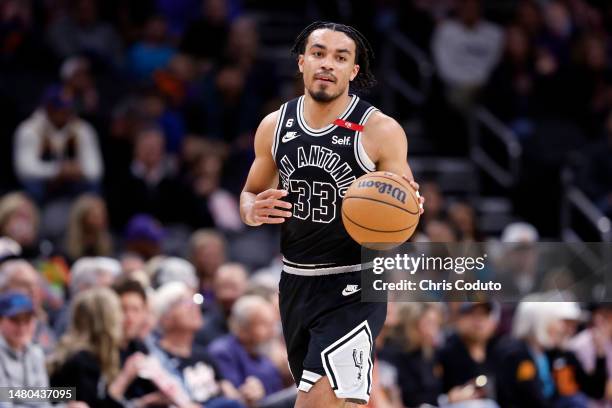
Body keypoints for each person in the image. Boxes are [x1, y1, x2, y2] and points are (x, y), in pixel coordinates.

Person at [239, 21, 424, 407]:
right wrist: (253, 210)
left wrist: (408, 212)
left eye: (341, 57)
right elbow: (249, 194)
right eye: (319, 54)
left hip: (355, 283)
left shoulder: (380, 130)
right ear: (302, 62)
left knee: (314, 403)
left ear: (353, 71)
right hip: (295, 281)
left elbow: (404, 213)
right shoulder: (275, 126)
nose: (328, 64)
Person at [0, 292, 51, 407]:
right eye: (15, 320)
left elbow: (44, 403)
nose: (22, 327)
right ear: (1, 321)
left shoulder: (36, 353)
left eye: (27, 320)